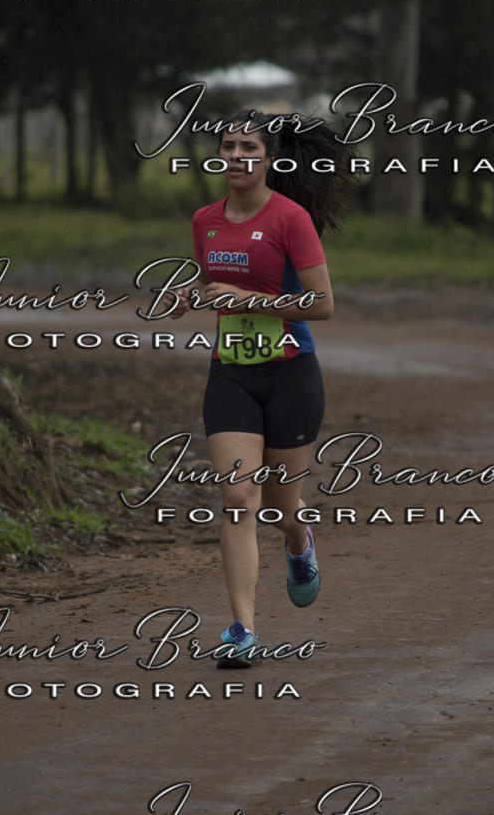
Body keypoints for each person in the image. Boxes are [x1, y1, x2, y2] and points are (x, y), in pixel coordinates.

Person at [170, 108, 351, 666]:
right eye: (227, 146)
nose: (235, 156)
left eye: (248, 146)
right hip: (231, 373)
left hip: (292, 372)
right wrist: (192, 295)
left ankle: (300, 544)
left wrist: (246, 300)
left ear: (270, 157)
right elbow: (210, 280)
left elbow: (322, 305)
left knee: (279, 506)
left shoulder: (291, 218)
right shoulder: (205, 219)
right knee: (237, 498)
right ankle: (243, 629)